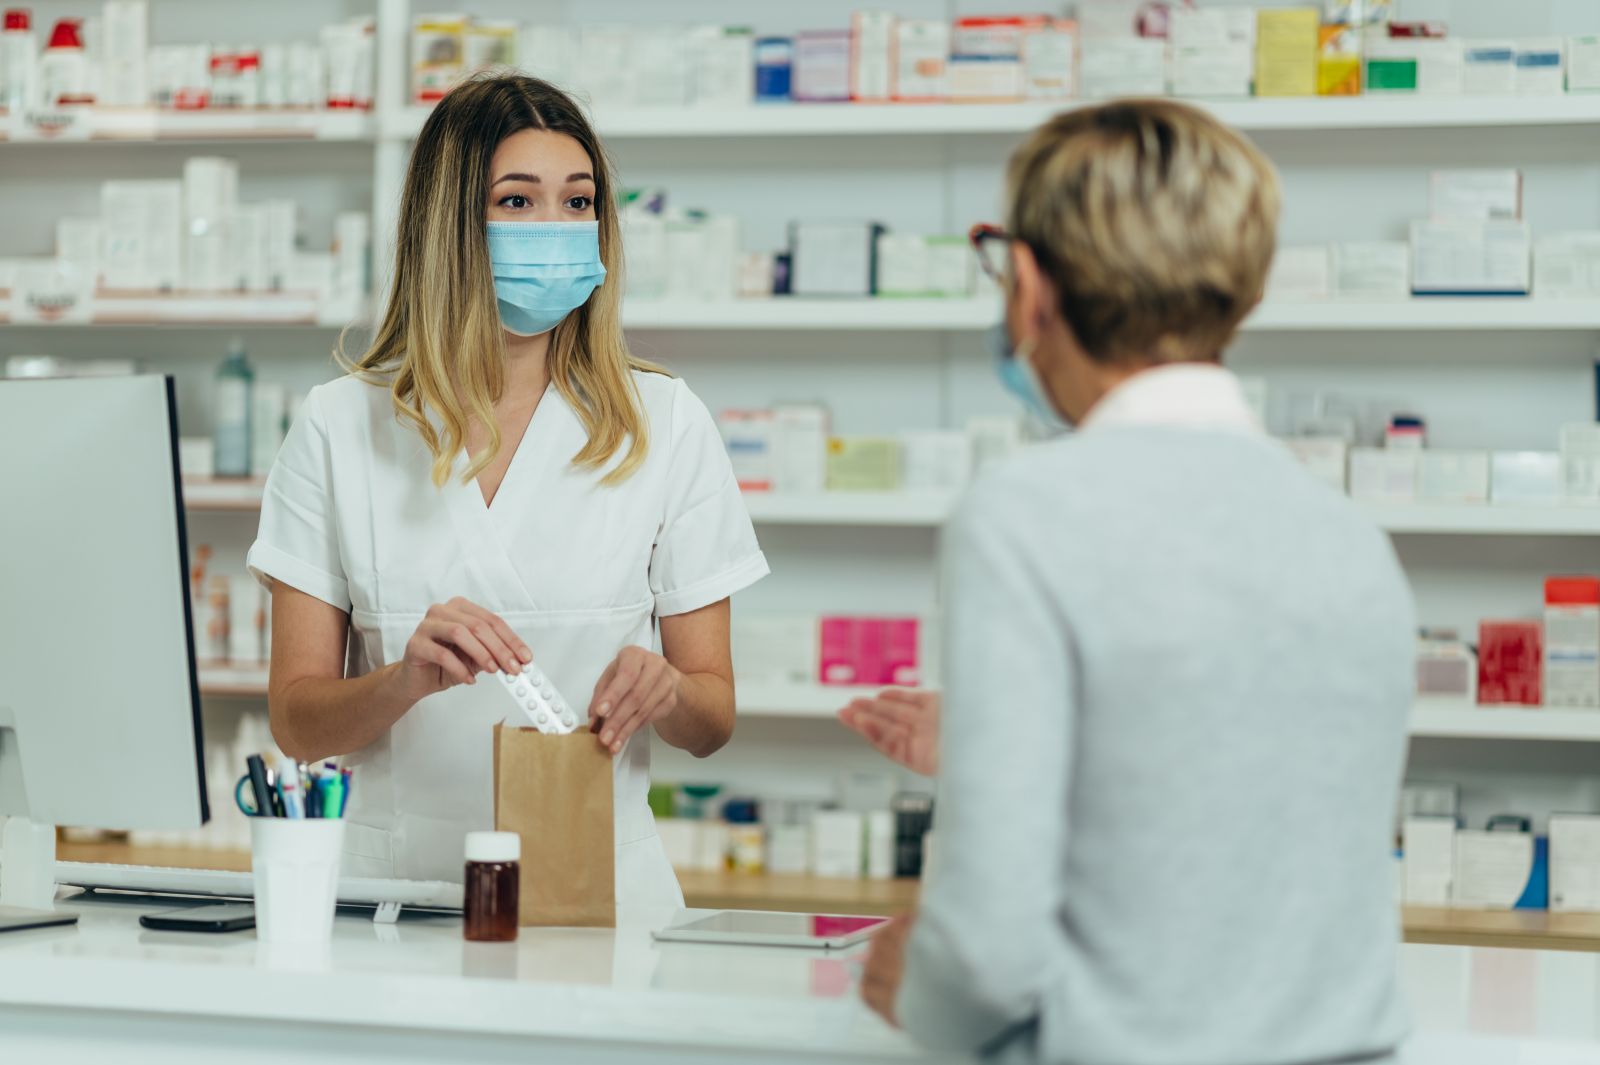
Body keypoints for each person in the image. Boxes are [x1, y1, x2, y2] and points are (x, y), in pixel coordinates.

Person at [842, 99, 1415, 1065]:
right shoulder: (1349, 536)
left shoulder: (1028, 516)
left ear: (1031, 286)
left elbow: (986, 957)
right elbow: (1238, 807)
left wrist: (918, 992)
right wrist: (997, 745)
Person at [247, 74, 768, 905]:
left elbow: (713, 719)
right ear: (448, 224)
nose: (555, 228)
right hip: (400, 899)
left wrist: (669, 691)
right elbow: (297, 723)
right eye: (517, 201)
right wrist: (403, 678)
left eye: (578, 201)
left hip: (598, 897)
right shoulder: (339, 425)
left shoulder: (663, 421)